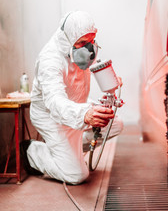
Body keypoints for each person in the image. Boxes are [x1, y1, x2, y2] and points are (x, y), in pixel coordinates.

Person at [20, 11, 123, 185]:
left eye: (91, 41)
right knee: (76, 175)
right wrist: (84, 114)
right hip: (51, 116)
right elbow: (55, 102)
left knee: (114, 124)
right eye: (83, 43)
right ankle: (32, 152)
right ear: (68, 38)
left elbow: (80, 85)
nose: (89, 48)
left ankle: (70, 153)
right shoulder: (50, 60)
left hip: (75, 107)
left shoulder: (76, 49)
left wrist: (110, 83)